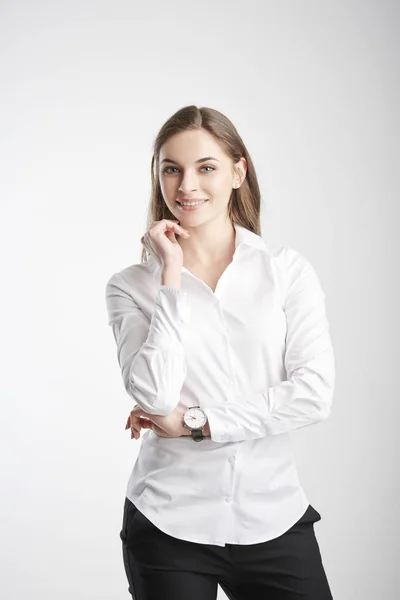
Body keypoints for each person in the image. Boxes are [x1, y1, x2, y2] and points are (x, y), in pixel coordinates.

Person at [105, 105, 335, 600]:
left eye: (206, 167)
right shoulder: (130, 286)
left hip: (273, 516)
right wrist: (170, 277)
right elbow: (154, 392)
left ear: (238, 171)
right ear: (158, 176)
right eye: (172, 169)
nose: (187, 185)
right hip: (169, 522)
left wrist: (197, 422)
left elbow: (314, 395)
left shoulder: (287, 273)